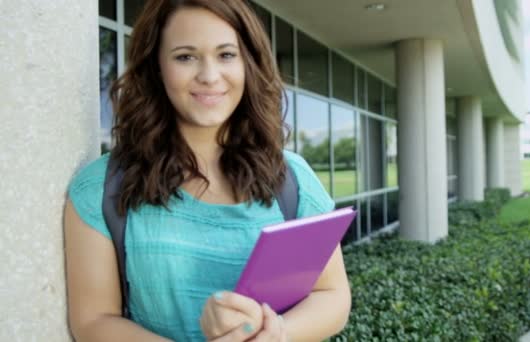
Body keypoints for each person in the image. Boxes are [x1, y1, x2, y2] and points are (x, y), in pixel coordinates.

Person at [63, 0, 351, 341]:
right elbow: (94, 320)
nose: (209, 76)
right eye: (185, 56)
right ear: (156, 67)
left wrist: (276, 334)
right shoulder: (100, 187)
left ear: (248, 63)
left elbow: (333, 296)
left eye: (226, 55)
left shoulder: (293, 178)